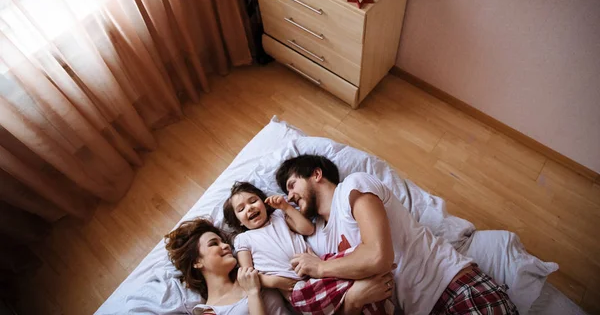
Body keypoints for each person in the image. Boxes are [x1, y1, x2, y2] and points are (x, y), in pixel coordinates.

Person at [276, 155, 519, 315]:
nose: (289, 197)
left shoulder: (352, 187)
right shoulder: (322, 241)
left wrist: (320, 269)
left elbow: (379, 257)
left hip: (454, 288)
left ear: (316, 175)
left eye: (292, 185)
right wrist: (353, 299)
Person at [222, 182, 395, 315]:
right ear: (238, 221)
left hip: (317, 268)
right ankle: (374, 277)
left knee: (351, 261)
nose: (250, 207)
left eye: (253, 201)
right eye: (241, 209)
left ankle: (374, 288)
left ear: (264, 202)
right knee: (354, 282)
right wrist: (278, 282)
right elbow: (248, 275)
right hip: (297, 292)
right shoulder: (243, 239)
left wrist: (286, 207)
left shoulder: (279, 216)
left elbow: (308, 229)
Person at [164, 217, 289, 315]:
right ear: (197, 262)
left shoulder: (252, 269)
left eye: (223, 242)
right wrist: (252, 293)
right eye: (213, 243)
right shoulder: (208, 312)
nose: (226, 246)